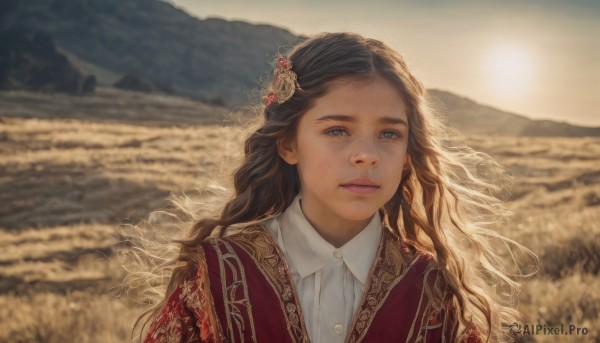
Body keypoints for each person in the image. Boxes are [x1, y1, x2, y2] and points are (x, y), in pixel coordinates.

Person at [126, 32, 533, 343]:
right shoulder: (214, 274)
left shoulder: (435, 287)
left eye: (389, 134)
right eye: (337, 129)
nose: (366, 155)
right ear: (288, 143)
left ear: (410, 152)